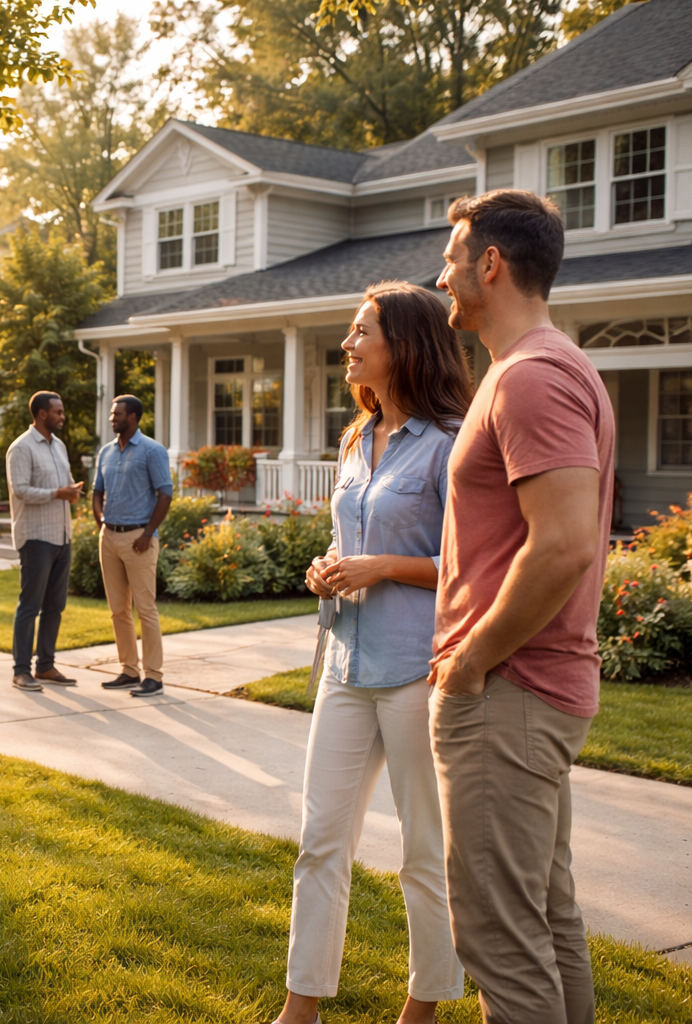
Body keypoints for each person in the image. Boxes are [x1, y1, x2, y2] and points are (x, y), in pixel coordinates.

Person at [431, 189, 613, 1024]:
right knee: (546, 918)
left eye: (451, 258)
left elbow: (565, 544)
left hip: (510, 692)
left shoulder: (532, 378)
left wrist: (472, 660)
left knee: (501, 943)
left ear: (491, 264)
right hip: (527, 691)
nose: (443, 275)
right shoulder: (538, 370)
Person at [274, 282, 471, 1024]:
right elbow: (352, 537)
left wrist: (383, 566)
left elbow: (471, 562)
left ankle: (423, 1007)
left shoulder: (450, 443)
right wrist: (330, 564)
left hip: (418, 669)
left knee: (424, 850)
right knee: (320, 840)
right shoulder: (357, 439)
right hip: (345, 664)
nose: (349, 344)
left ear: (404, 345)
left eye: (362, 332)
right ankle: (301, 1008)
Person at [91, 395, 173, 697]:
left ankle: (154, 676)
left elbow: (165, 494)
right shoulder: (106, 452)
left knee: (145, 609)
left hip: (139, 539)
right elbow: (97, 492)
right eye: (112, 414)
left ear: (133, 417)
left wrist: (148, 533)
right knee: (118, 610)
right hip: (109, 538)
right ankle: (129, 669)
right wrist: (100, 521)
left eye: (118, 414)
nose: (113, 418)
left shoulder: (152, 451)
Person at [6, 391, 85, 691]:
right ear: (41, 414)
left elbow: (58, 485)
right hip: (36, 538)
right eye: (58, 412)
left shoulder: (59, 446)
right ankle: (21, 670)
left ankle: (46, 666)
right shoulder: (21, 448)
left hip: (62, 535)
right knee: (30, 604)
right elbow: (21, 490)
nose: (62, 417)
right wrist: (57, 493)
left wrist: (70, 491)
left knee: (56, 605)